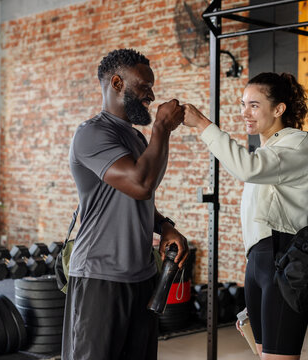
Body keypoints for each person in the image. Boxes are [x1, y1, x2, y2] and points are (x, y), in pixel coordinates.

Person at [183, 72, 308, 360]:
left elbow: (246, 168)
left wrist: (203, 125)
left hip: (283, 256)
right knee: (265, 356)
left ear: (278, 109)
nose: (244, 113)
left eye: (254, 105)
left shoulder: (298, 143)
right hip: (260, 260)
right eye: (243, 104)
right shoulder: (271, 150)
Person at [63, 48, 189, 360]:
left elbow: (138, 200)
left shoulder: (136, 138)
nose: (151, 95)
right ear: (117, 83)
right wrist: (161, 126)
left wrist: (165, 226)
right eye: (145, 86)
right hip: (100, 277)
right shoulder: (92, 133)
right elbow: (140, 184)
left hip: (142, 277)